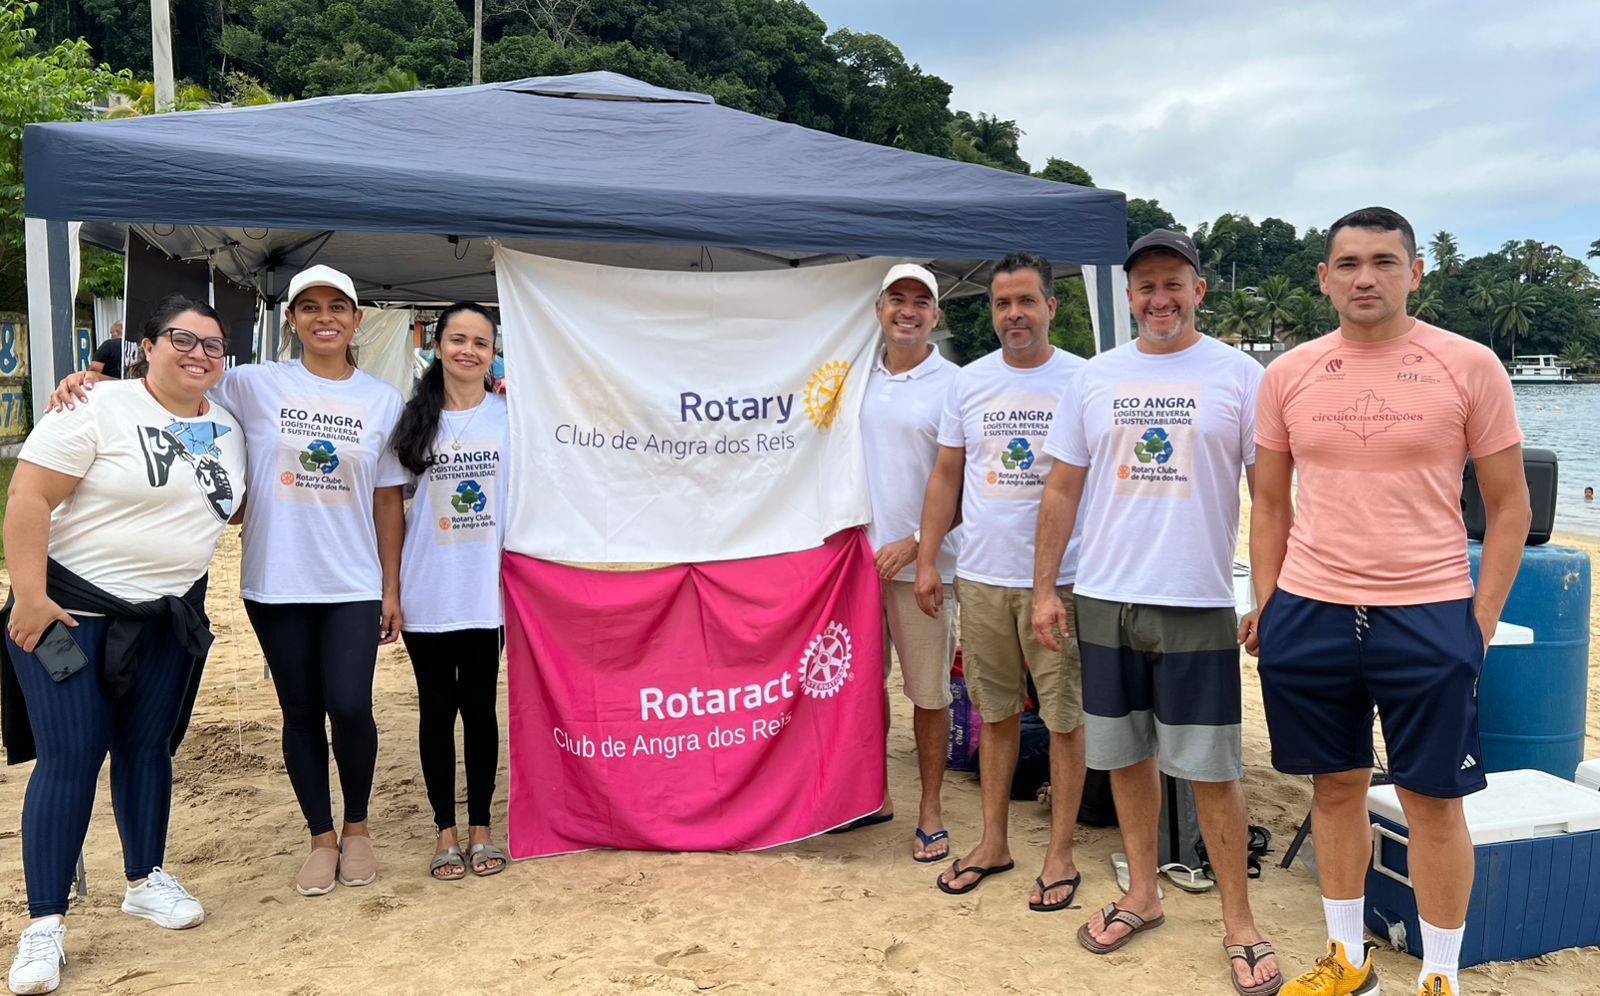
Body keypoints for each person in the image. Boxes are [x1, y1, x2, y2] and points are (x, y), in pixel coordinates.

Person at [48, 264, 410, 899]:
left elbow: (387, 501)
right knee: (300, 711)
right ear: (292, 319)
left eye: (338, 307)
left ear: (357, 320)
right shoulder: (251, 383)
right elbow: (172, 393)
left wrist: (391, 589)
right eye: (309, 307)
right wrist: (92, 382)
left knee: (350, 705)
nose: (324, 318)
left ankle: (358, 828)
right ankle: (320, 836)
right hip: (275, 579)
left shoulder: (382, 399)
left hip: (352, 580)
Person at [1245, 208, 1530, 996]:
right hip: (1311, 608)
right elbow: (1269, 504)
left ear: (1415, 272)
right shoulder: (1289, 373)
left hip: (1429, 609)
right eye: (1348, 263)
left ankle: (1440, 976)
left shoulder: (1467, 366)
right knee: (1335, 789)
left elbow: (1509, 508)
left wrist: (1478, 619)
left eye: (1383, 261)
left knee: (1433, 801)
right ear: (1325, 277)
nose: (1365, 277)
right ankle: (1349, 963)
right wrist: (1269, 602)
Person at [1031, 230, 1280, 994]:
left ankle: (1239, 921)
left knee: (1211, 769)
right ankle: (1144, 893)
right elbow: (1064, 487)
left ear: (1199, 290)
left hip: (1197, 599)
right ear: (1129, 297)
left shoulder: (1242, 376)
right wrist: (1046, 588)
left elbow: (1271, 498)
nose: (1159, 299)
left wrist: (1266, 596)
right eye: (1145, 287)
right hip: (1104, 596)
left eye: (1173, 283)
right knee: (1127, 756)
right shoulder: (1096, 377)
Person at [4, 296, 246, 995]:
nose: (199, 353)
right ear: (146, 344)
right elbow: (25, 498)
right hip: (69, 615)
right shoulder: (92, 408)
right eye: (182, 339)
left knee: (147, 750)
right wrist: (28, 596)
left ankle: (145, 878)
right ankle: (44, 923)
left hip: (166, 622)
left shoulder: (227, 427)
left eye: (213, 345)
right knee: (70, 758)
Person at [916, 250, 1087, 910]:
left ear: (1052, 306)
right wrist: (931, 559)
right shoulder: (969, 383)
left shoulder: (1084, 379)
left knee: (1067, 722)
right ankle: (994, 841)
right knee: (996, 716)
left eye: (1025, 301)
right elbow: (947, 475)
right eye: (1001, 303)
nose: (1014, 314)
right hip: (983, 578)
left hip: (1063, 581)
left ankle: (1062, 852)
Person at [391, 303, 511, 881]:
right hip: (429, 588)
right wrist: (389, 588)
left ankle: (483, 827)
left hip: (487, 592)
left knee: (481, 709)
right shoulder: (413, 419)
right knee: (436, 711)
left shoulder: (513, 416)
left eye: (480, 342)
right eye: (457, 339)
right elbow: (388, 506)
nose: (468, 350)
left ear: (493, 353)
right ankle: (445, 831)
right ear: (437, 346)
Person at [848, 264, 961, 859]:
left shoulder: (955, 385)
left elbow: (969, 486)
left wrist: (920, 544)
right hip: (855, 566)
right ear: (879, 309)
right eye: (898, 299)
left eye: (921, 302)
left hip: (925, 567)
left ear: (936, 316)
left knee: (928, 693)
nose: (908, 311)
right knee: (862, 688)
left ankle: (930, 808)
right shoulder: (854, 379)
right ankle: (874, 797)